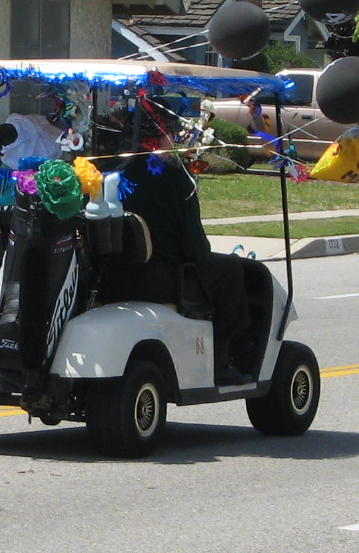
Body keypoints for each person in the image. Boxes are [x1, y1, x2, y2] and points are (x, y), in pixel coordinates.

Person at [101, 109, 249, 383]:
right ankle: (221, 362)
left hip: (109, 278)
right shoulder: (175, 179)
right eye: (169, 135)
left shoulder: (107, 174)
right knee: (231, 269)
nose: (173, 141)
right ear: (156, 139)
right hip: (162, 278)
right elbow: (196, 250)